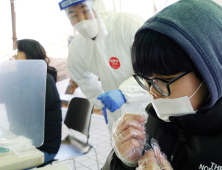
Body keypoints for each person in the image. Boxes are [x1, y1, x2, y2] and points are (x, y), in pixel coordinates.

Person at [102, 0, 222, 169]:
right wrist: (124, 162)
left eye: (164, 80)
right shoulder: (154, 121)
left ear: (211, 71)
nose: (152, 92)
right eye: (147, 79)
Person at [58, 0, 150, 133]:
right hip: (116, 115)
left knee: (154, 150)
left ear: (97, 7)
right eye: (73, 15)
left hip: (147, 108)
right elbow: (82, 78)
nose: (81, 20)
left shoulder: (129, 24)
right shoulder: (78, 47)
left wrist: (125, 93)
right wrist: (100, 101)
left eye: (85, 10)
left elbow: (154, 69)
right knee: (121, 151)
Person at [15, 39, 62, 164]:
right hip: (29, 141)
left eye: (18, 51)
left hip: (43, 147)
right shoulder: (26, 79)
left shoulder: (43, 80)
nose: (14, 55)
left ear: (29, 54)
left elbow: (26, 113)